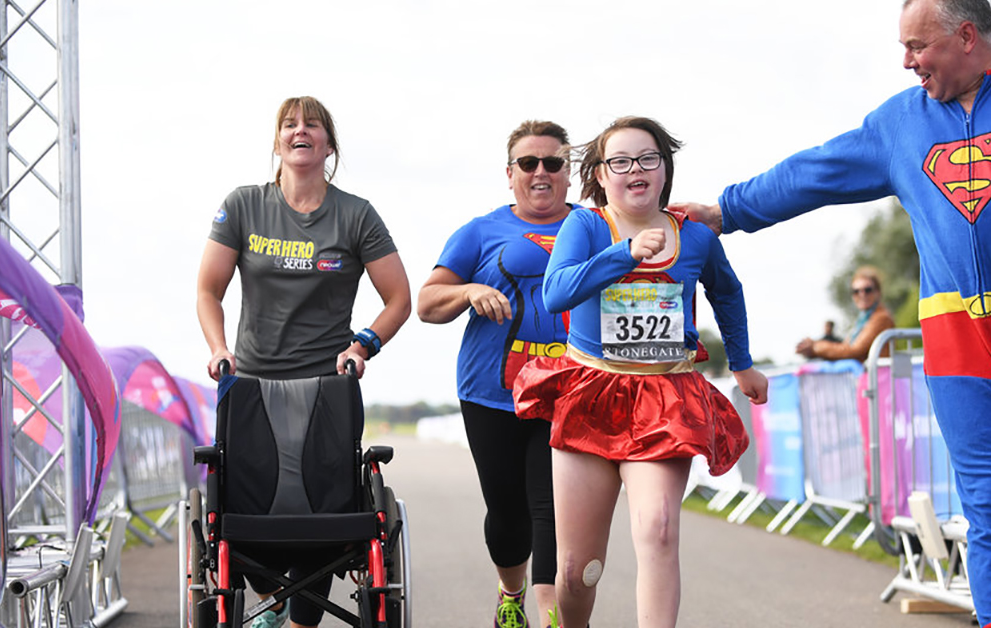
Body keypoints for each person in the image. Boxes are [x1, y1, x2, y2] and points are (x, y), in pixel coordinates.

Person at [671, 0, 991, 625]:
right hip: (960, 349)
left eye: (916, 47)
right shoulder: (900, 124)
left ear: (964, 36)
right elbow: (814, 171)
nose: (907, 63)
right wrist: (729, 210)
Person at [514, 117, 768, 628]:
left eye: (648, 159)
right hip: (592, 393)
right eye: (621, 162)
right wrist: (622, 254)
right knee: (577, 569)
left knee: (658, 527)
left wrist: (740, 362)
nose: (636, 170)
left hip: (665, 397)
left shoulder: (694, 236)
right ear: (601, 175)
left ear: (664, 169)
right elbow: (556, 292)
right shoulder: (585, 226)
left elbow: (727, 291)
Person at [196, 96, 412, 628]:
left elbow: (399, 299)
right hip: (250, 387)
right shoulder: (244, 205)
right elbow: (207, 289)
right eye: (289, 124)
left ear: (329, 145)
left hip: (328, 388)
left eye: (312, 124)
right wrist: (219, 348)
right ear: (277, 142)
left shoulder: (356, 214)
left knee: (322, 513)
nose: (300, 130)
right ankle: (270, 598)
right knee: (251, 508)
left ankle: (295, 613)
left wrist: (364, 346)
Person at [417, 120, 573, 628]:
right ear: (510, 174)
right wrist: (467, 292)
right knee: (507, 516)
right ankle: (512, 594)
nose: (541, 172)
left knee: (551, 508)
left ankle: (553, 613)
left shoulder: (596, 227)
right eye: (529, 163)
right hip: (492, 394)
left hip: (568, 392)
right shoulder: (479, 232)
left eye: (553, 162)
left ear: (569, 172)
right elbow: (426, 303)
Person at [796, 266, 894, 361]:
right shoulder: (862, 320)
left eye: (867, 290)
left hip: (877, 376)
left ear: (878, 292)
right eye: (856, 291)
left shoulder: (881, 318)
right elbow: (845, 347)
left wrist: (815, 347)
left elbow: (854, 351)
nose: (862, 294)